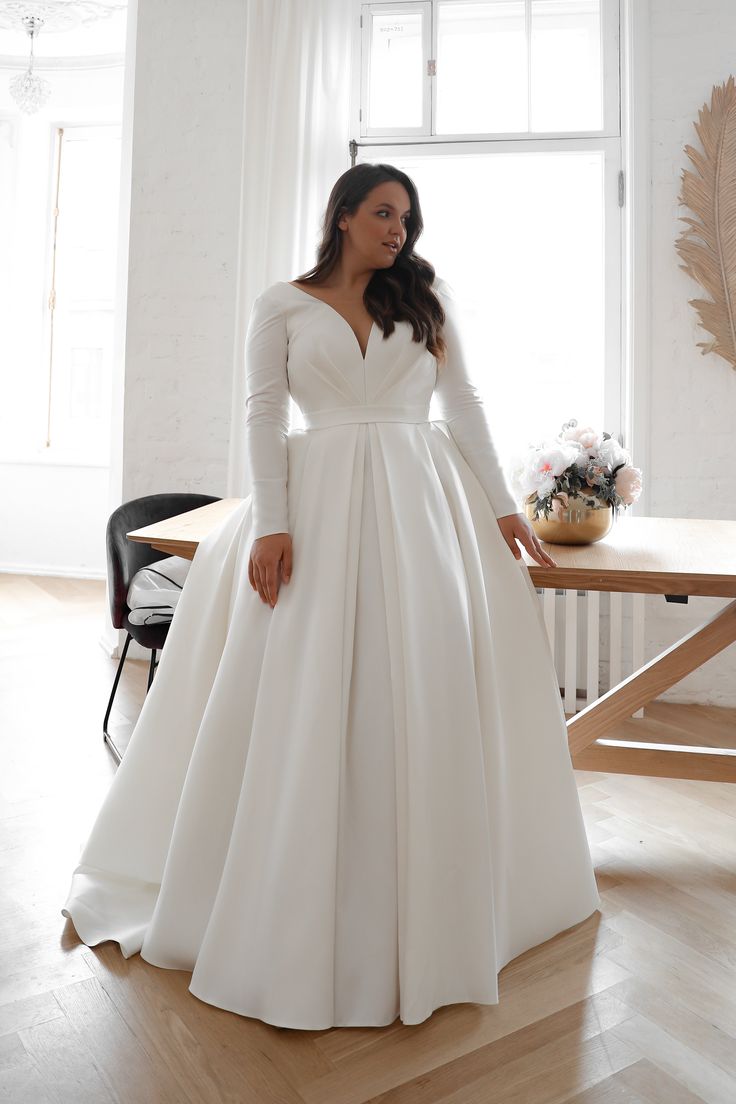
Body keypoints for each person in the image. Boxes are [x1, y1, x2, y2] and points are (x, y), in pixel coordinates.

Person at [61, 163, 601, 1030]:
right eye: (384, 213)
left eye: (407, 217)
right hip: (314, 506)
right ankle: (284, 889)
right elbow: (262, 414)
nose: (398, 229)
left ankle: (433, 910)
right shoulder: (281, 303)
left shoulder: (424, 299)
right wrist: (272, 522)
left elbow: (462, 406)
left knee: (419, 684)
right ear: (343, 216)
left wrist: (503, 508)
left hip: (422, 507)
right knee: (305, 688)